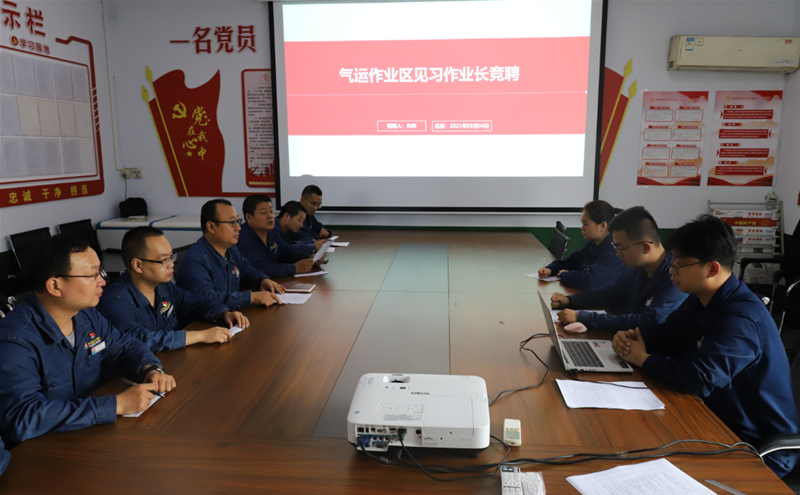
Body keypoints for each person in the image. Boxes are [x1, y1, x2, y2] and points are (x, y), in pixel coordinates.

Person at [612, 215, 799, 478]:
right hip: (712, 421)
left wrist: (642, 358)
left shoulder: (741, 318)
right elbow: (669, 334)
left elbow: (699, 378)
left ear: (712, 269)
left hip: (756, 447)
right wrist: (634, 338)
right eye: (672, 262)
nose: (671, 271)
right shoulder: (701, 299)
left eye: (679, 265)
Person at [0, 235, 176, 448]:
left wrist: (150, 369)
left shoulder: (85, 314)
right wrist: (115, 405)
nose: (102, 281)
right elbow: (22, 418)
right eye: (92, 275)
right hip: (43, 450)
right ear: (55, 286)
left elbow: (124, 346)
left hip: (89, 435)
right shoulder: (15, 341)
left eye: (100, 272)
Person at [97, 227, 250, 353]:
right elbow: (141, 339)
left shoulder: (164, 286)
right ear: (137, 265)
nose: (171, 264)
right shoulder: (114, 301)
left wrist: (224, 312)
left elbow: (195, 302)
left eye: (171, 257)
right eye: (164, 260)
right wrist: (200, 336)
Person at [550, 206, 687, 332]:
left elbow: (650, 321)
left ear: (645, 247)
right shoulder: (640, 270)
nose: (618, 254)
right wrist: (571, 300)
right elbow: (612, 293)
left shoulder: (676, 277)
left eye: (621, 248)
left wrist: (583, 317)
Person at [175, 199, 284, 309]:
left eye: (238, 221)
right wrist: (250, 297)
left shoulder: (230, 249)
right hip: (207, 319)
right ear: (211, 227)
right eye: (232, 223)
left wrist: (262, 279)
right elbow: (205, 298)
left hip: (232, 313)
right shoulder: (195, 261)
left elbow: (247, 270)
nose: (238, 228)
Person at [537, 200, 629, 290]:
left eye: (585, 224)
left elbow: (591, 281)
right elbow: (570, 262)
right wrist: (550, 269)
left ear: (603, 226)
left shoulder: (615, 251)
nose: (582, 228)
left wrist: (564, 274)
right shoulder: (593, 244)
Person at [237, 195, 317, 278]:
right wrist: (295, 268)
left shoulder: (272, 232)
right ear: (249, 217)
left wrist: (309, 258)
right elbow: (258, 267)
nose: (270, 216)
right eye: (264, 213)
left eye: (271, 211)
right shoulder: (241, 237)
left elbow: (285, 252)